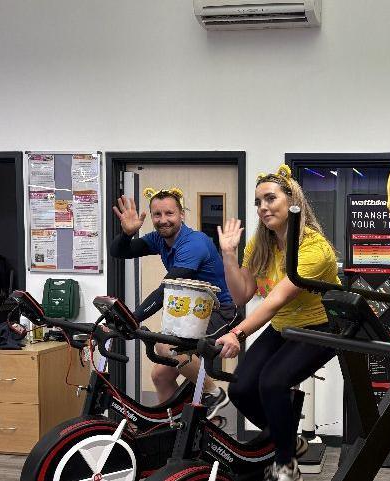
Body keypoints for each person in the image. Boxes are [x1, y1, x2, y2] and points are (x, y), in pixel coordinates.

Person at [216, 165, 339, 481]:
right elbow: (242, 294)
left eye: (270, 198)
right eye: (258, 202)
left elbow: (275, 300)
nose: (263, 207)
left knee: (272, 382)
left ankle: (286, 464)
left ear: (291, 200)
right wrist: (228, 255)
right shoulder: (262, 244)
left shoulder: (314, 248)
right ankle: (290, 440)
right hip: (283, 327)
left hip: (319, 326)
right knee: (242, 389)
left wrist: (237, 333)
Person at [110, 187, 235, 418]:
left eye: (169, 213)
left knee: (165, 346)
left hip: (218, 311)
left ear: (181, 215)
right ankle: (179, 428)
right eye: (157, 215)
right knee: (160, 376)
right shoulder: (159, 239)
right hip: (191, 311)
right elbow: (119, 252)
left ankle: (214, 393)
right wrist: (127, 234)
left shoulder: (194, 243)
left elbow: (164, 291)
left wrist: (131, 319)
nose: (163, 220)